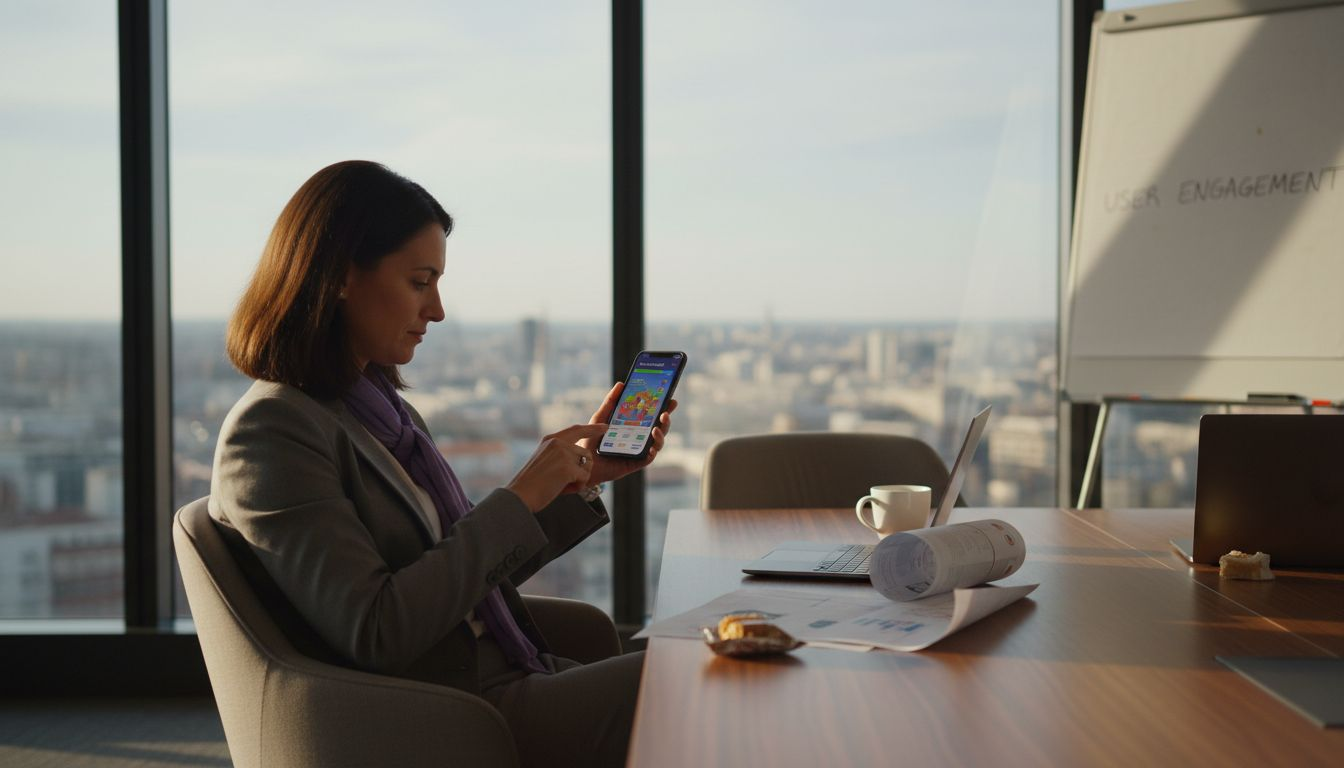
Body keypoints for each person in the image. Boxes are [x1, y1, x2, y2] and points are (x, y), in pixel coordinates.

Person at [209, 159, 674, 767]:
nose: (438, 310)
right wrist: (519, 498)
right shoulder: (272, 432)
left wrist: (574, 483)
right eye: (420, 281)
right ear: (342, 277)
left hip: (492, 678)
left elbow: (458, 576)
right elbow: (378, 629)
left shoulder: (379, 414)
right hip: (451, 712)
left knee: (718, 662)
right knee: (707, 675)